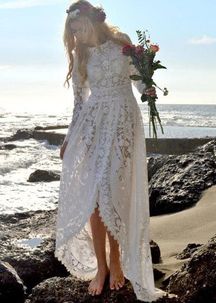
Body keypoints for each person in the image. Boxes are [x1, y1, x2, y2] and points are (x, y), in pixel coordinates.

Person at [54, 0, 177, 301]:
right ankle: (102, 266)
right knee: (94, 198)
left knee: (113, 192)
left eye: (79, 27)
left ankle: (117, 261)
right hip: (93, 125)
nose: (76, 34)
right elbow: (80, 103)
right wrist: (70, 138)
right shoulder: (79, 55)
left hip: (123, 123)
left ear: (92, 22)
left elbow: (137, 78)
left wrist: (147, 90)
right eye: (72, 30)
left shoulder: (121, 43)